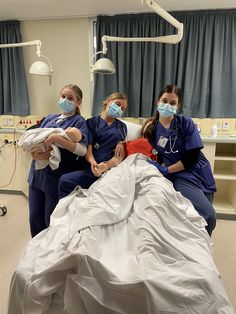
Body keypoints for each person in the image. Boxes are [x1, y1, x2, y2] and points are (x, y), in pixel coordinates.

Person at [145, 84, 216, 236]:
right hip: (181, 175)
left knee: (206, 216)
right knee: (208, 215)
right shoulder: (151, 130)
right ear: (158, 101)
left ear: (178, 106)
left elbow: (193, 157)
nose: (167, 105)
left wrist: (166, 169)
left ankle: (204, 248)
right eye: (164, 101)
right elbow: (153, 153)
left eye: (172, 103)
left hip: (199, 171)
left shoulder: (185, 123)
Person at [27, 84, 88, 237]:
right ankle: (36, 252)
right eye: (63, 96)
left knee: (50, 221)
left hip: (55, 178)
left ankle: (50, 254)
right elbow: (33, 137)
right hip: (37, 175)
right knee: (34, 218)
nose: (65, 100)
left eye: (70, 98)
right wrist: (34, 154)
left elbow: (82, 150)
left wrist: (57, 139)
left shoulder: (79, 122)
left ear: (78, 102)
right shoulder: (50, 118)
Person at [58, 92, 128, 198]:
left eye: (122, 109)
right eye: (117, 104)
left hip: (109, 169)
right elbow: (88, 149)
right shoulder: (91, 123)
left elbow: (118, 156)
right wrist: (94, 164)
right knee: (64, 180)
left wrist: (105, 166)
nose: (119, 109)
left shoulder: (121, 127)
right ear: (107, 101)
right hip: (90, 166)